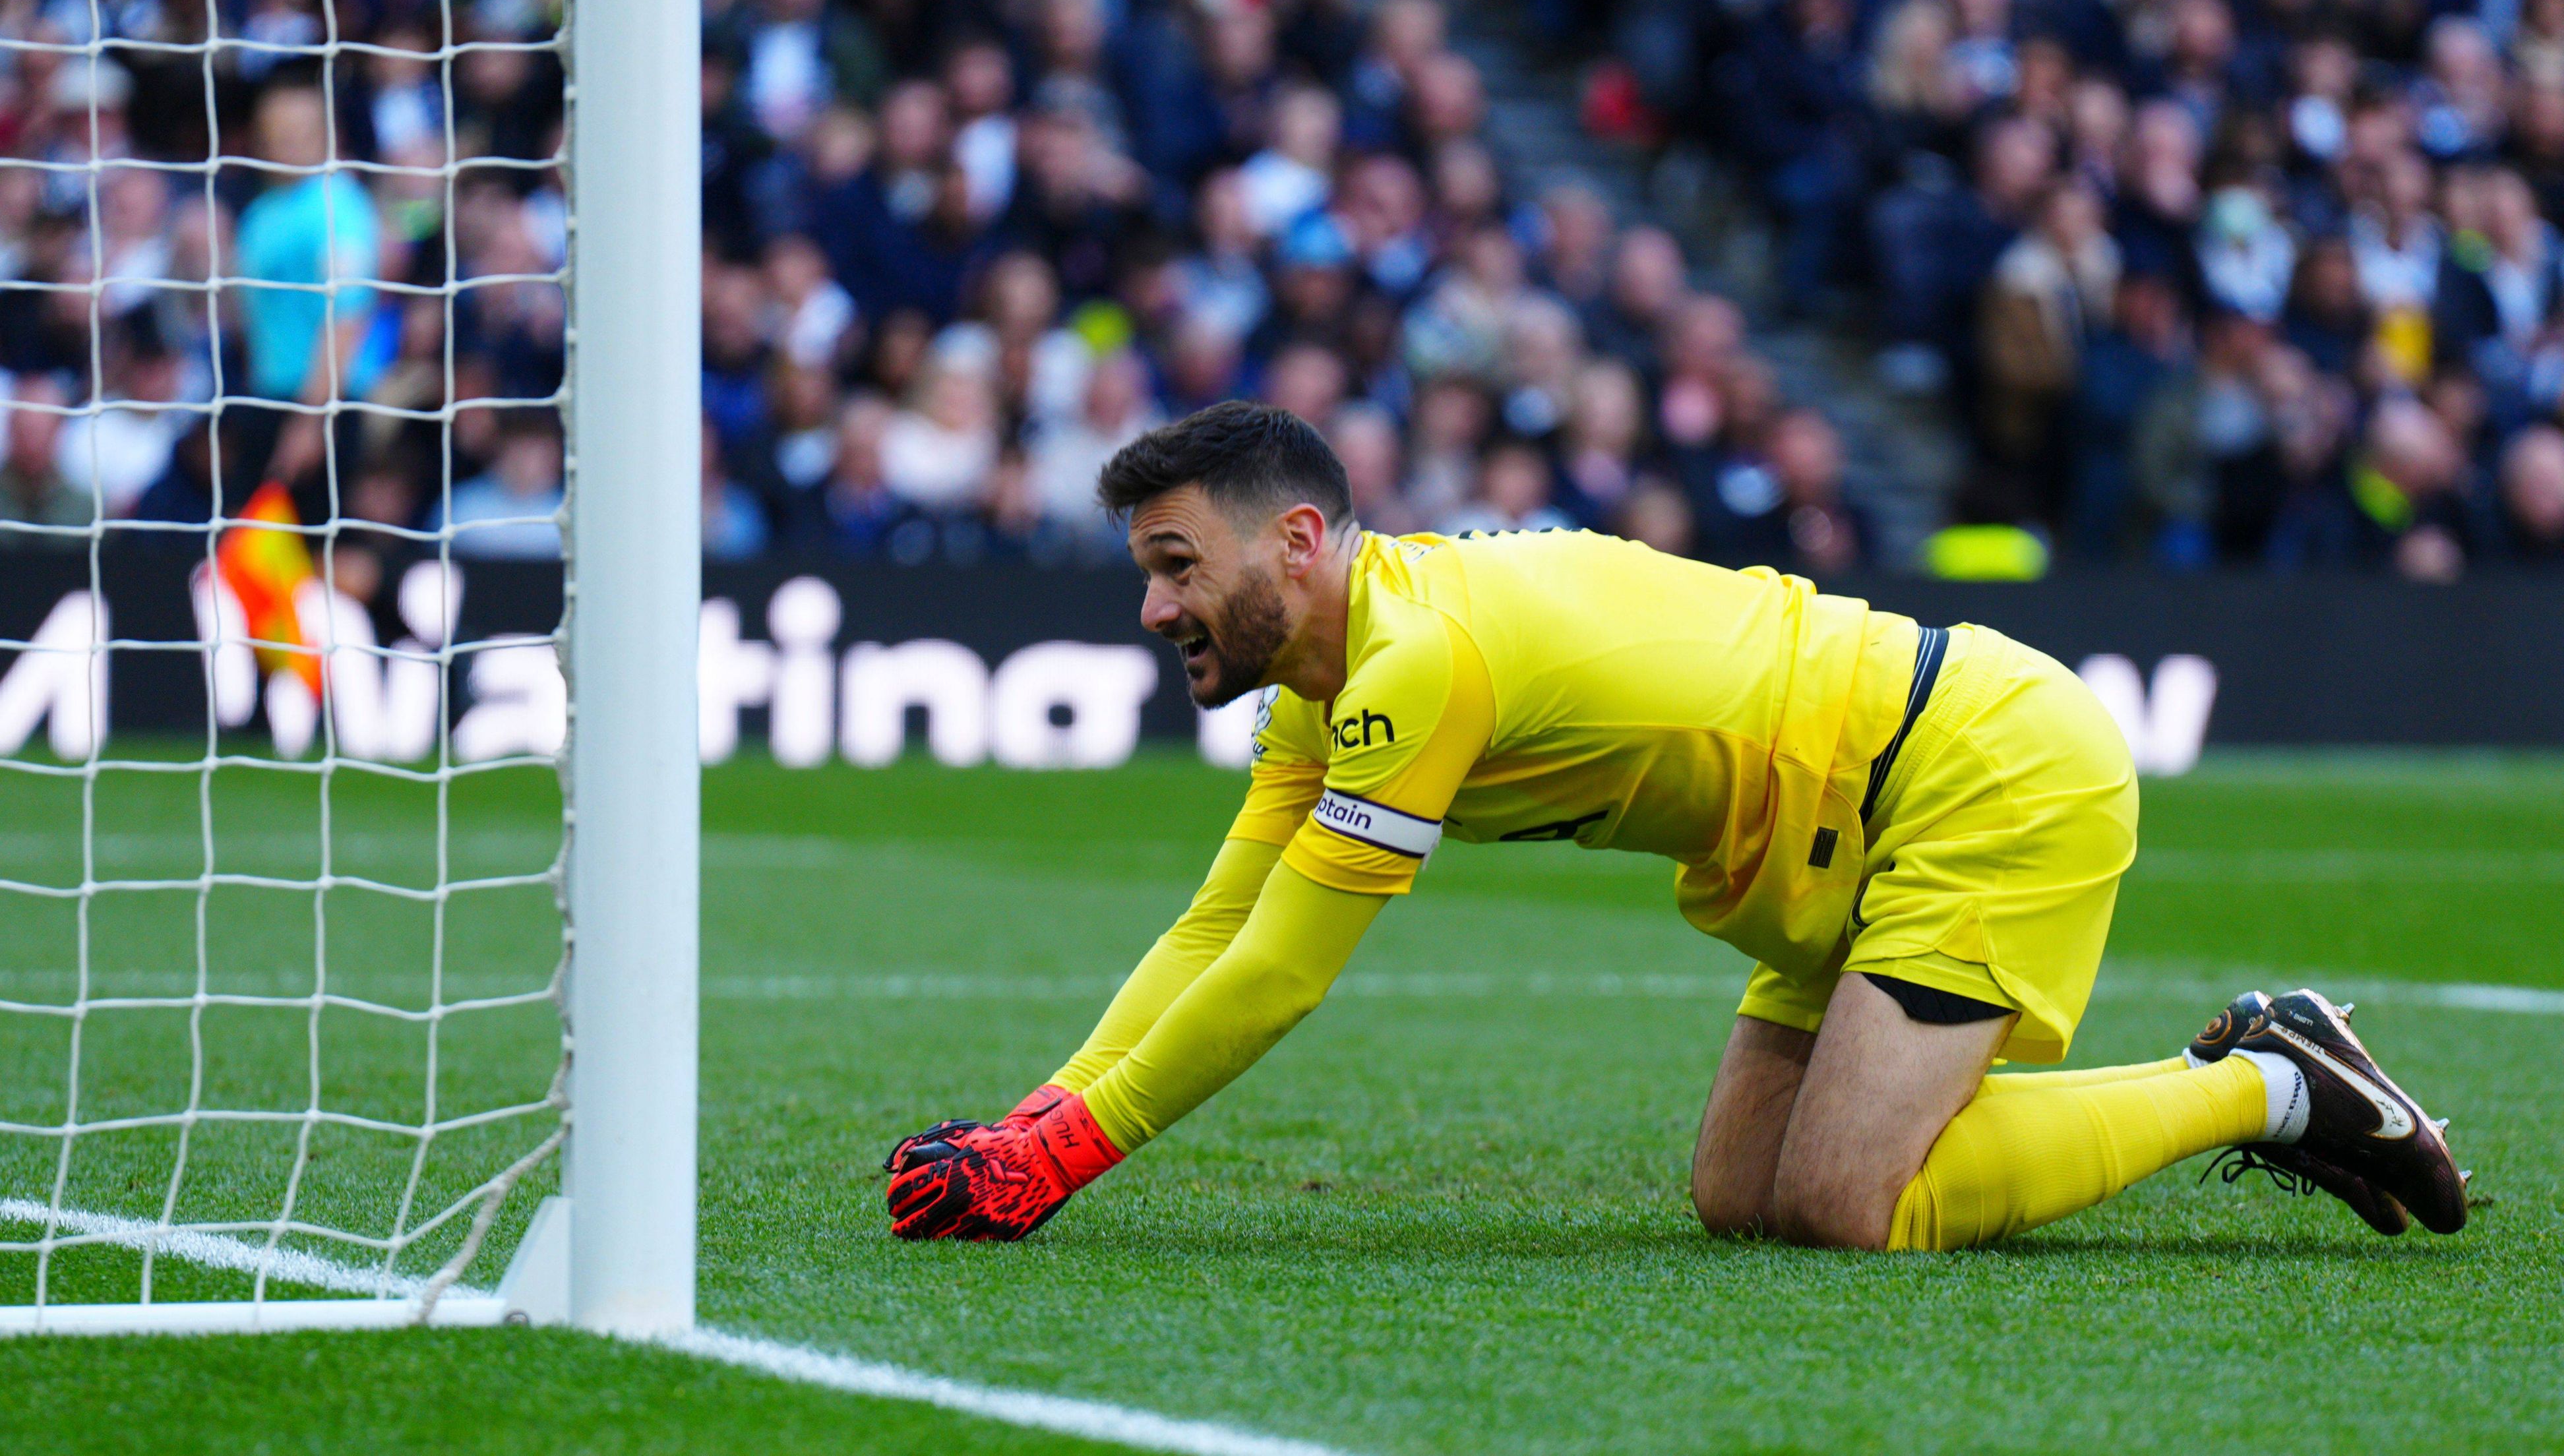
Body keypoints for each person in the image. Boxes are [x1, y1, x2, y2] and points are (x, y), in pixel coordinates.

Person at [884, 402, 2470, 1250]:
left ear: (1296, 542)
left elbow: (1283, 970)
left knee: (1853, 1206)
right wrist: (1033, 1115)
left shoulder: (1416, 659)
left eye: (1174, 561)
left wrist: (1068, 1155)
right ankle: (2259, 1080)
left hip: (1971, 766)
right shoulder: (1331, 682)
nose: (1150, 601)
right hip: (1813, 834)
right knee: (1743, 1198)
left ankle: (2264, 1081)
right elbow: (1210, 931)